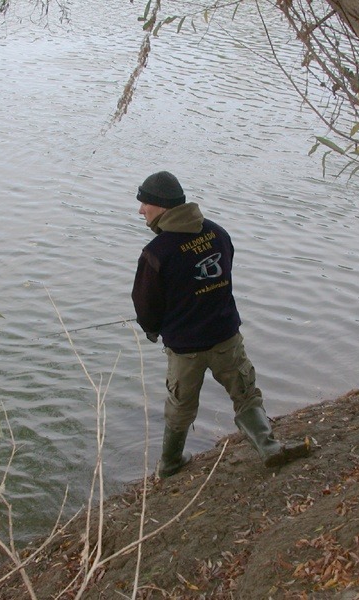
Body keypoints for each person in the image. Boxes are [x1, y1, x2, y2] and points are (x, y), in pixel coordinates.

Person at [131, 170, 310, 478]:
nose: (140, 210)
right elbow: (222, 276)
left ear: (160, 206)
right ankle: (268, 447)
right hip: (226, 336)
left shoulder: (156, 252)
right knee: (246, 393)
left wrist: (151, 328)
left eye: (144, 203)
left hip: (186, 348)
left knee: (180, 406)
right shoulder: (217, 233)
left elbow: (145, 306)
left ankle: (171, 462)